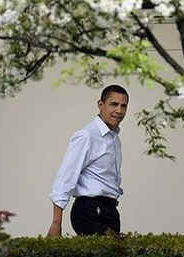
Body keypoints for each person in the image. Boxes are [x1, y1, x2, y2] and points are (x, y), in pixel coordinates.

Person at [47, 84, 129, 236]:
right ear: (100, 105)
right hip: (90, 210)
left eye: (123, 106)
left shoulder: (114, 139)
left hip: (110, 210)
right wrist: (56, 223)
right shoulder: (87, 135)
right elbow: (66, 177)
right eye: (114, 104)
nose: (119, 110)